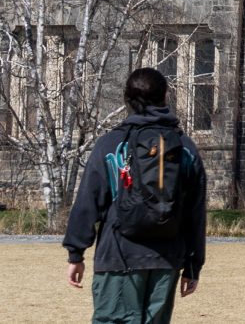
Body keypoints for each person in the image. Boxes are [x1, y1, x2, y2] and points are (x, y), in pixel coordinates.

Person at [63, 65, 207, 324]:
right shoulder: (185, 148)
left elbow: (87, 202)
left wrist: (76, 253)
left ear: (127, 100)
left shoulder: (111, 145)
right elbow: (195, 213)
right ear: (165, 98)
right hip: (167, 260)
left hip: (117, 257)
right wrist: (194, 265)